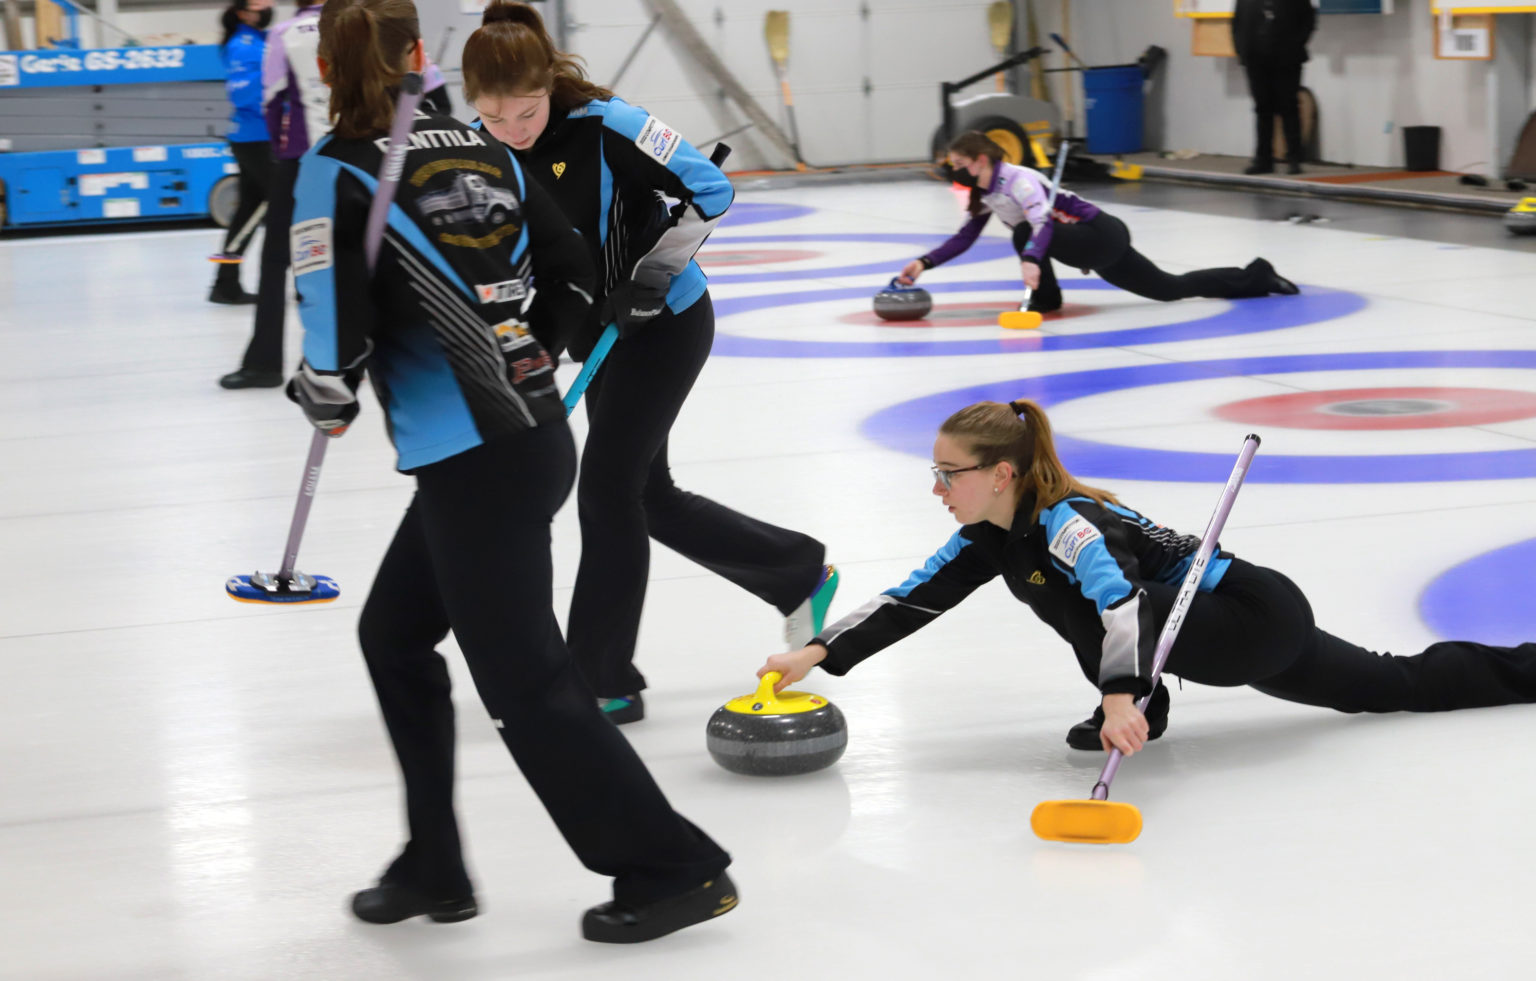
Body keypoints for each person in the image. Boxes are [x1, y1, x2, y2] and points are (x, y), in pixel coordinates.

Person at [289, 0, 737, 943]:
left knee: (526, 681)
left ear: (325, 68)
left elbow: (337, 338)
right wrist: (524, 351)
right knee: (395, 636)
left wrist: (322, 386)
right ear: (421, 54)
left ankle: (671, 866)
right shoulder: (481, 145)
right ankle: (434, 861)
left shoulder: (334, 170)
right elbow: (572, 266)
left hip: (474, 458)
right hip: (530, 435)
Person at [757, 398, 1536, 756]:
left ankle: (1142, 700)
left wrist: (1119, 695)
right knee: (1396, 687)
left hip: (1247, 616)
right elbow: (909, 600)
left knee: (1094, 600)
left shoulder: (1070, 525)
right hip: (1213, 635)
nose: (936, 486)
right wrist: (815, 654)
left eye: (946, 472)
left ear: (999, 473)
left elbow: (1124, 604)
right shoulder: (986, 533)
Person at [459, 1, 838, 725]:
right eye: (495, 117)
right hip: (596, 334)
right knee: (647, 495)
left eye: (527, 113)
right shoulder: (484, 147)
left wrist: (652, 274)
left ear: (548, 84)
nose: (512, 131)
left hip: (663, 323)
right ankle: (798, 570)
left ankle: (601, 678)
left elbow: (712, 189)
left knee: (606, 492)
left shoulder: (609, 124)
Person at [898, 132, 1299, 316]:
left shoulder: (1019, 181)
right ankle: (1257, 277)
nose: (957, 172)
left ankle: (1047, 299)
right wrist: (924, 263)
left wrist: (1033, 260)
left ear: (981, 161)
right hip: (1082, 244)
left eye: (960, 165)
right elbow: (966, 236)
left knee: (1025, 232)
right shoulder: (986, 193)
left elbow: (1041, 226)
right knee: (1169, 289)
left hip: (1100, 234)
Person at [220, 0, 329, 389]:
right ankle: (347, 356)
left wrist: (281, 153)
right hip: (355, 158)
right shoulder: (362, 24)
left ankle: (264, 364)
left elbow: (271, 100)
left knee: (276, 261)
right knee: (351, 258)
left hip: (299, 159)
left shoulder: (284, 34)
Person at [207, 0, 273, 305]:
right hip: (257, 138)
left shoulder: (261, 40)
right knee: (288, 207)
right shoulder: (243, 45)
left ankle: (226, 283)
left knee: (249, 211)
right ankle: (303, 285)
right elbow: (245, 93)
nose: (268, 5)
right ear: (241, 12)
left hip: (255, 137)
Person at [1233, 0, 1316, 176]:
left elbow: (1308, 19)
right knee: (1262, 109)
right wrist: (1242, 51)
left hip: (1287, 58)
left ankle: (1294, 159)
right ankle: (1263, 159)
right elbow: (1237, 23)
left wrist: (1296, 43)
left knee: (1289, 108)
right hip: (1255, 59)